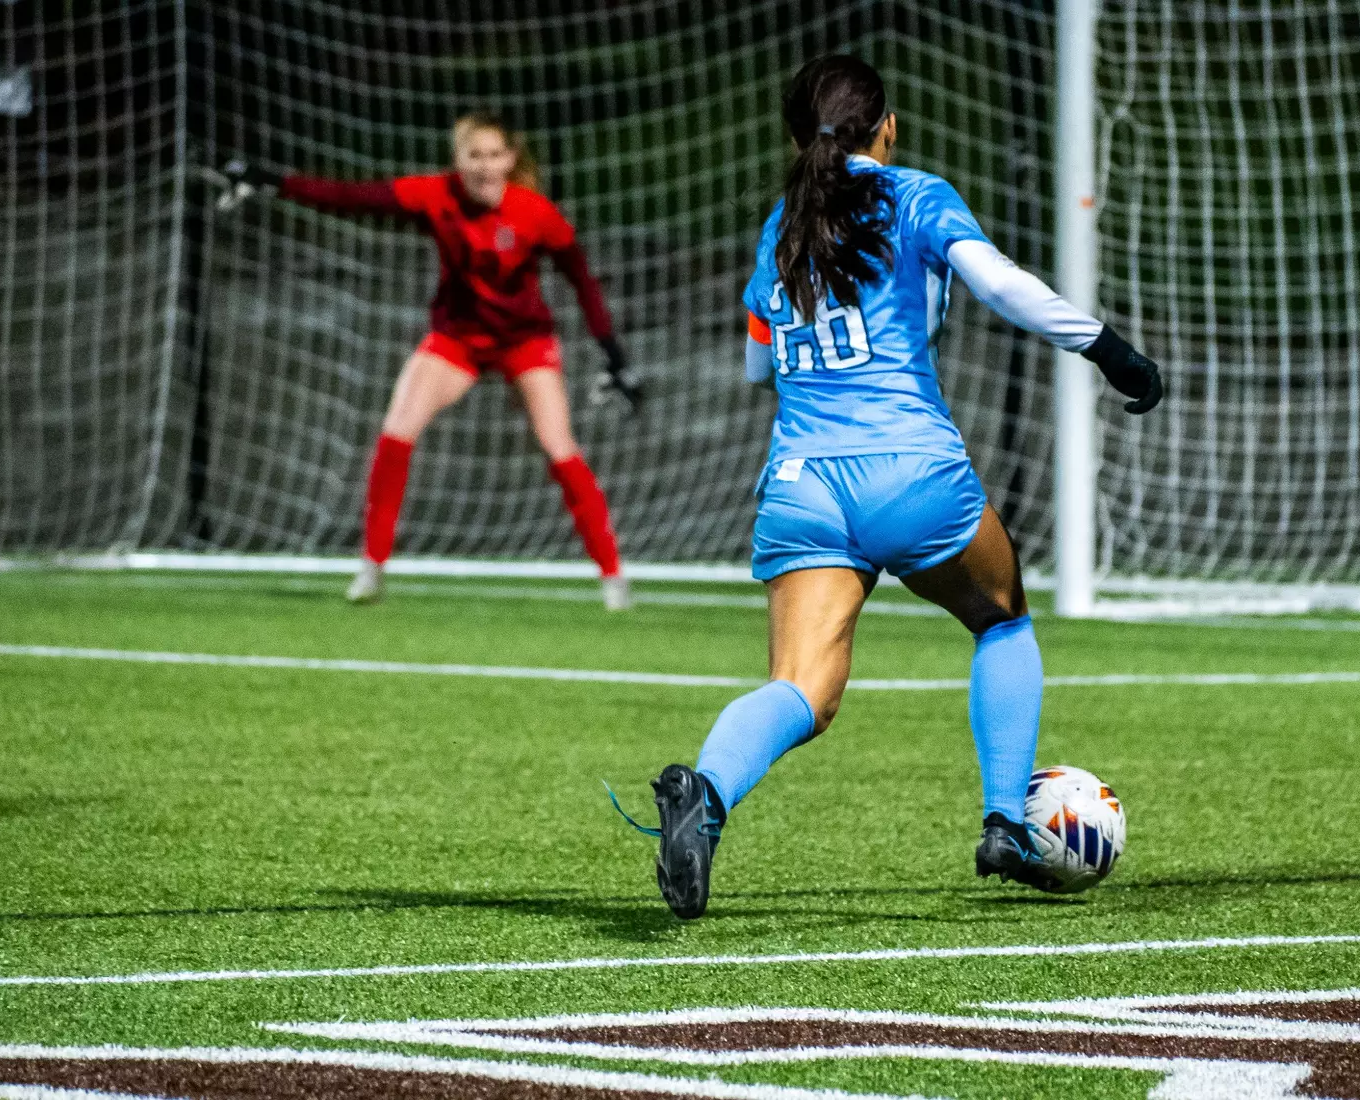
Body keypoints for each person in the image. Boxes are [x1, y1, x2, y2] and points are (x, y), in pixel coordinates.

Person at [614, 56, 1163, 918]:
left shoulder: (779, 228)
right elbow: (1000, 284)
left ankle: (707, 793)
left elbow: (761, 363)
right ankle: (1002, 820)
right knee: (1001, 614)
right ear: (889, 126)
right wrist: (1107, 349)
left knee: (802, 689)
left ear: (797, 138)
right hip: (910, 471)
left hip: (801, 486)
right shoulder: (915, 195)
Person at [217, 114, 641, 610]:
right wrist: (274, 182)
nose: (484, 167)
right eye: (473, 156)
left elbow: (583, 281)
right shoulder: (433, 194)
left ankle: (613, 576)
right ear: (457, 160)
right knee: (397, 431)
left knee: (558, 447)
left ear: (510, 159)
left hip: (524, 342)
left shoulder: (535, 212)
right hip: (457, 339)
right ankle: (371, 569)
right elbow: (353, 197)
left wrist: (615, 357)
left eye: (493, 155)